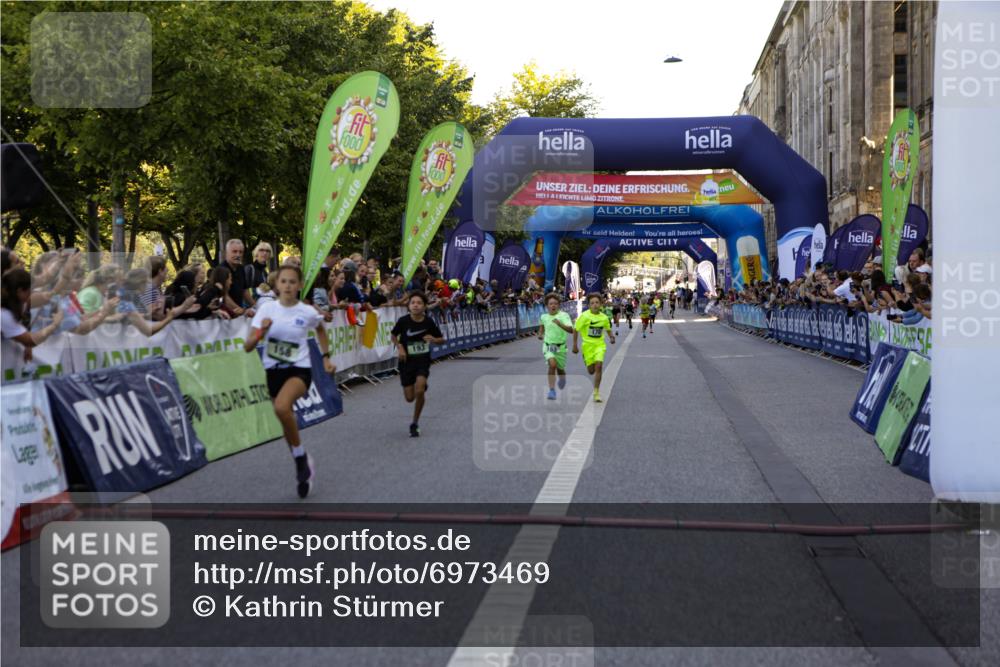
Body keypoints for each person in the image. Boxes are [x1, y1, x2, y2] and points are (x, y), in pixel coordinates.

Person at [244, 264, 335, 498]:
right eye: (283, 281)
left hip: (299, 369)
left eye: (292, 282)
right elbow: (248, 347)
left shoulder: (306, 312)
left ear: (300, 285)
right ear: (276, 284)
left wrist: (325, 358)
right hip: (273, 371)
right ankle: (300, 457)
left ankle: (300, 459)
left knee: (282, 407)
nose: (287, 286)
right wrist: (260, 333)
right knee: (286, 419)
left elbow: (321, 330)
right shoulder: (266, 310)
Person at [391, 292, 445, 437]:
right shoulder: (403, 321)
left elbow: (441, 339)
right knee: (409, 398)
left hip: (422, 360)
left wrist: (433, 339)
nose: (415, 305)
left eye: (419, 303)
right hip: (406, 362)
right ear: (408, 306)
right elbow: (393, 335)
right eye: (413, 302)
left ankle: (415, 423)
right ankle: (419, 385)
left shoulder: (428, 322)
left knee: (420, 390)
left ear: (425, 306)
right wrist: (400, 347)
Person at [573, 293, 614, 403]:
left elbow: (608, 328)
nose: (595, 305)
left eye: (597, 302)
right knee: (591, 371)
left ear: (601, 304)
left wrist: (611, 337)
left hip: (599, 345)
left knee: (599, 366)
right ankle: (587, 360)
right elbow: (576, 329)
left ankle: (596, 392)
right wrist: (574, 345)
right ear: (589, 305)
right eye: (592, 303)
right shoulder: (584, 316)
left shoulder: (604, 318)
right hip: (587, 346)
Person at [537, 293, 574, 400]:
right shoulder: (543, 317)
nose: (553, 306)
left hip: (561, 347)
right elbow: (541, 329)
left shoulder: (564, 316)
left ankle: (562, 378)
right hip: (548, 345)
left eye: (555, 304)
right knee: (552, 365)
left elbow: (571, 330)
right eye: (551, 304)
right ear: (547, 306)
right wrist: (540, 335)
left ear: (559, 305)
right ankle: (552, 390)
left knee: (560, 369)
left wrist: (560, 324)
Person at [220, 238, 249, 314]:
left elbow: (245, 291)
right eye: (234, 252)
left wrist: (256, 306)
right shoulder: (221, 270)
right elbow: (224, 296)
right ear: (226, 253)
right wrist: (242, 311)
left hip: (238, 313)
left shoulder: (241, 268)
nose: (238, 255)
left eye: (241, 252)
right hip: (225, 314)